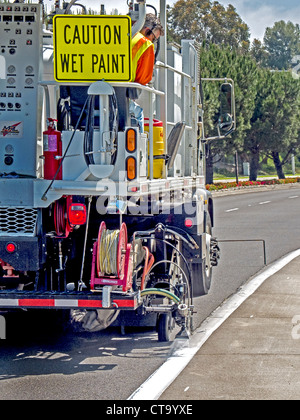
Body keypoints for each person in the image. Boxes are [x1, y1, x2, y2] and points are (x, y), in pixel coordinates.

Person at [129, 14, 164, 132]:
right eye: (154, 38)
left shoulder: (121, 35)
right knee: (138, 114)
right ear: (147, 30)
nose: (152, 42)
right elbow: (144, 79)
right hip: (121, 96)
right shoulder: (145, 44)